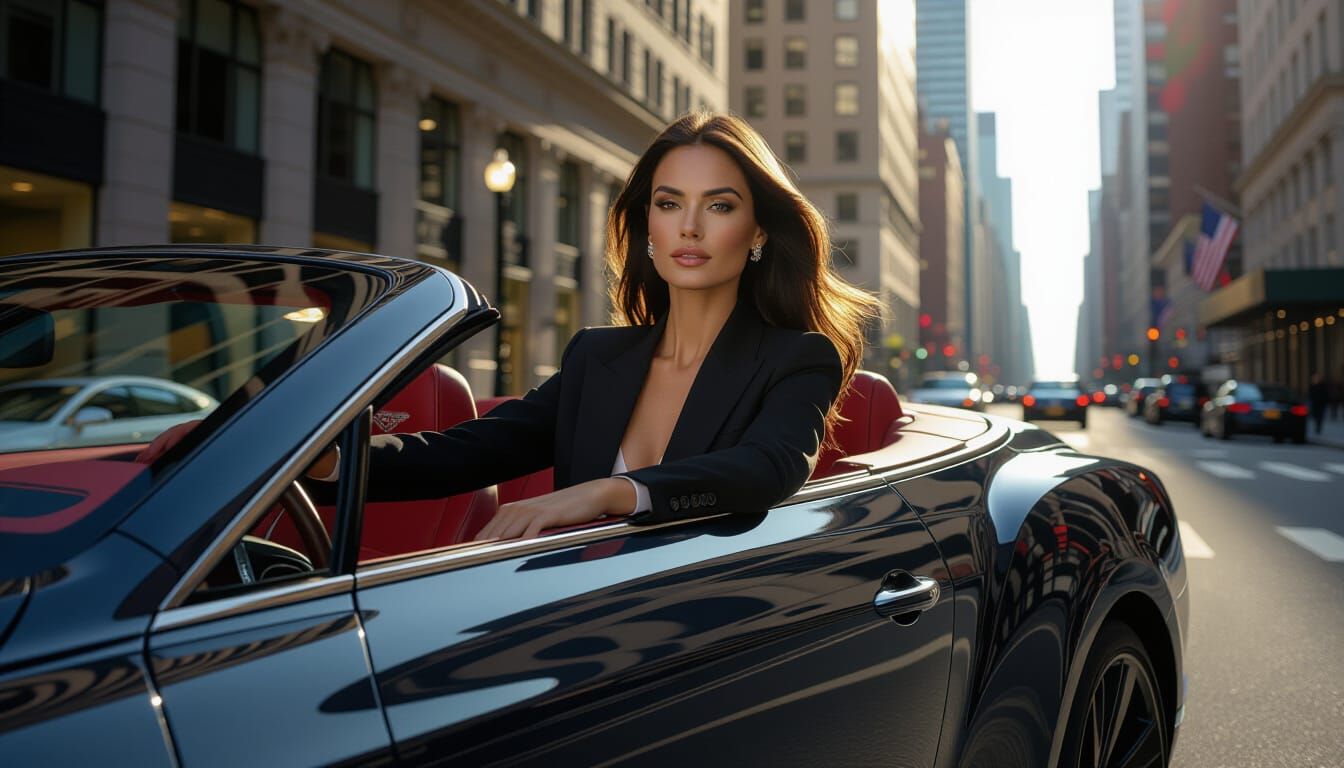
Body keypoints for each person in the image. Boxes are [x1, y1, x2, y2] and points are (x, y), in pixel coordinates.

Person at [306, 111, 878, 540]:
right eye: (670, 203)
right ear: (648, 224)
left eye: (721, 206)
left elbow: (768, 468)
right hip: (579, 622)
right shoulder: (597, 357)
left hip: (708, 630)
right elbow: (470, 451)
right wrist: (328, 459)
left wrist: (608, 493)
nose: (691, 227)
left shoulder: (799, 358)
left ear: (758, 232)